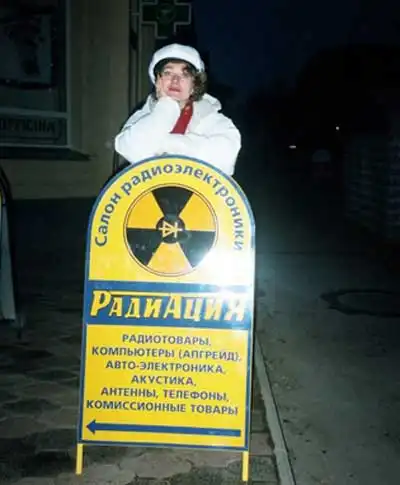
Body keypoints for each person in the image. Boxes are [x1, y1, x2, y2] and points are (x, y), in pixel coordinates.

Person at [114, 43, 241, 176]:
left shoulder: (214, 120)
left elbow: (225, 159)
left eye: (184, 75)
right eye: (168, 73)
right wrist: (166, 108)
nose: (175, 80)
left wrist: (167, 145)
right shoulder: (141, 117)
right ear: (157, 81)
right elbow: (131, 150)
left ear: (194, 85)